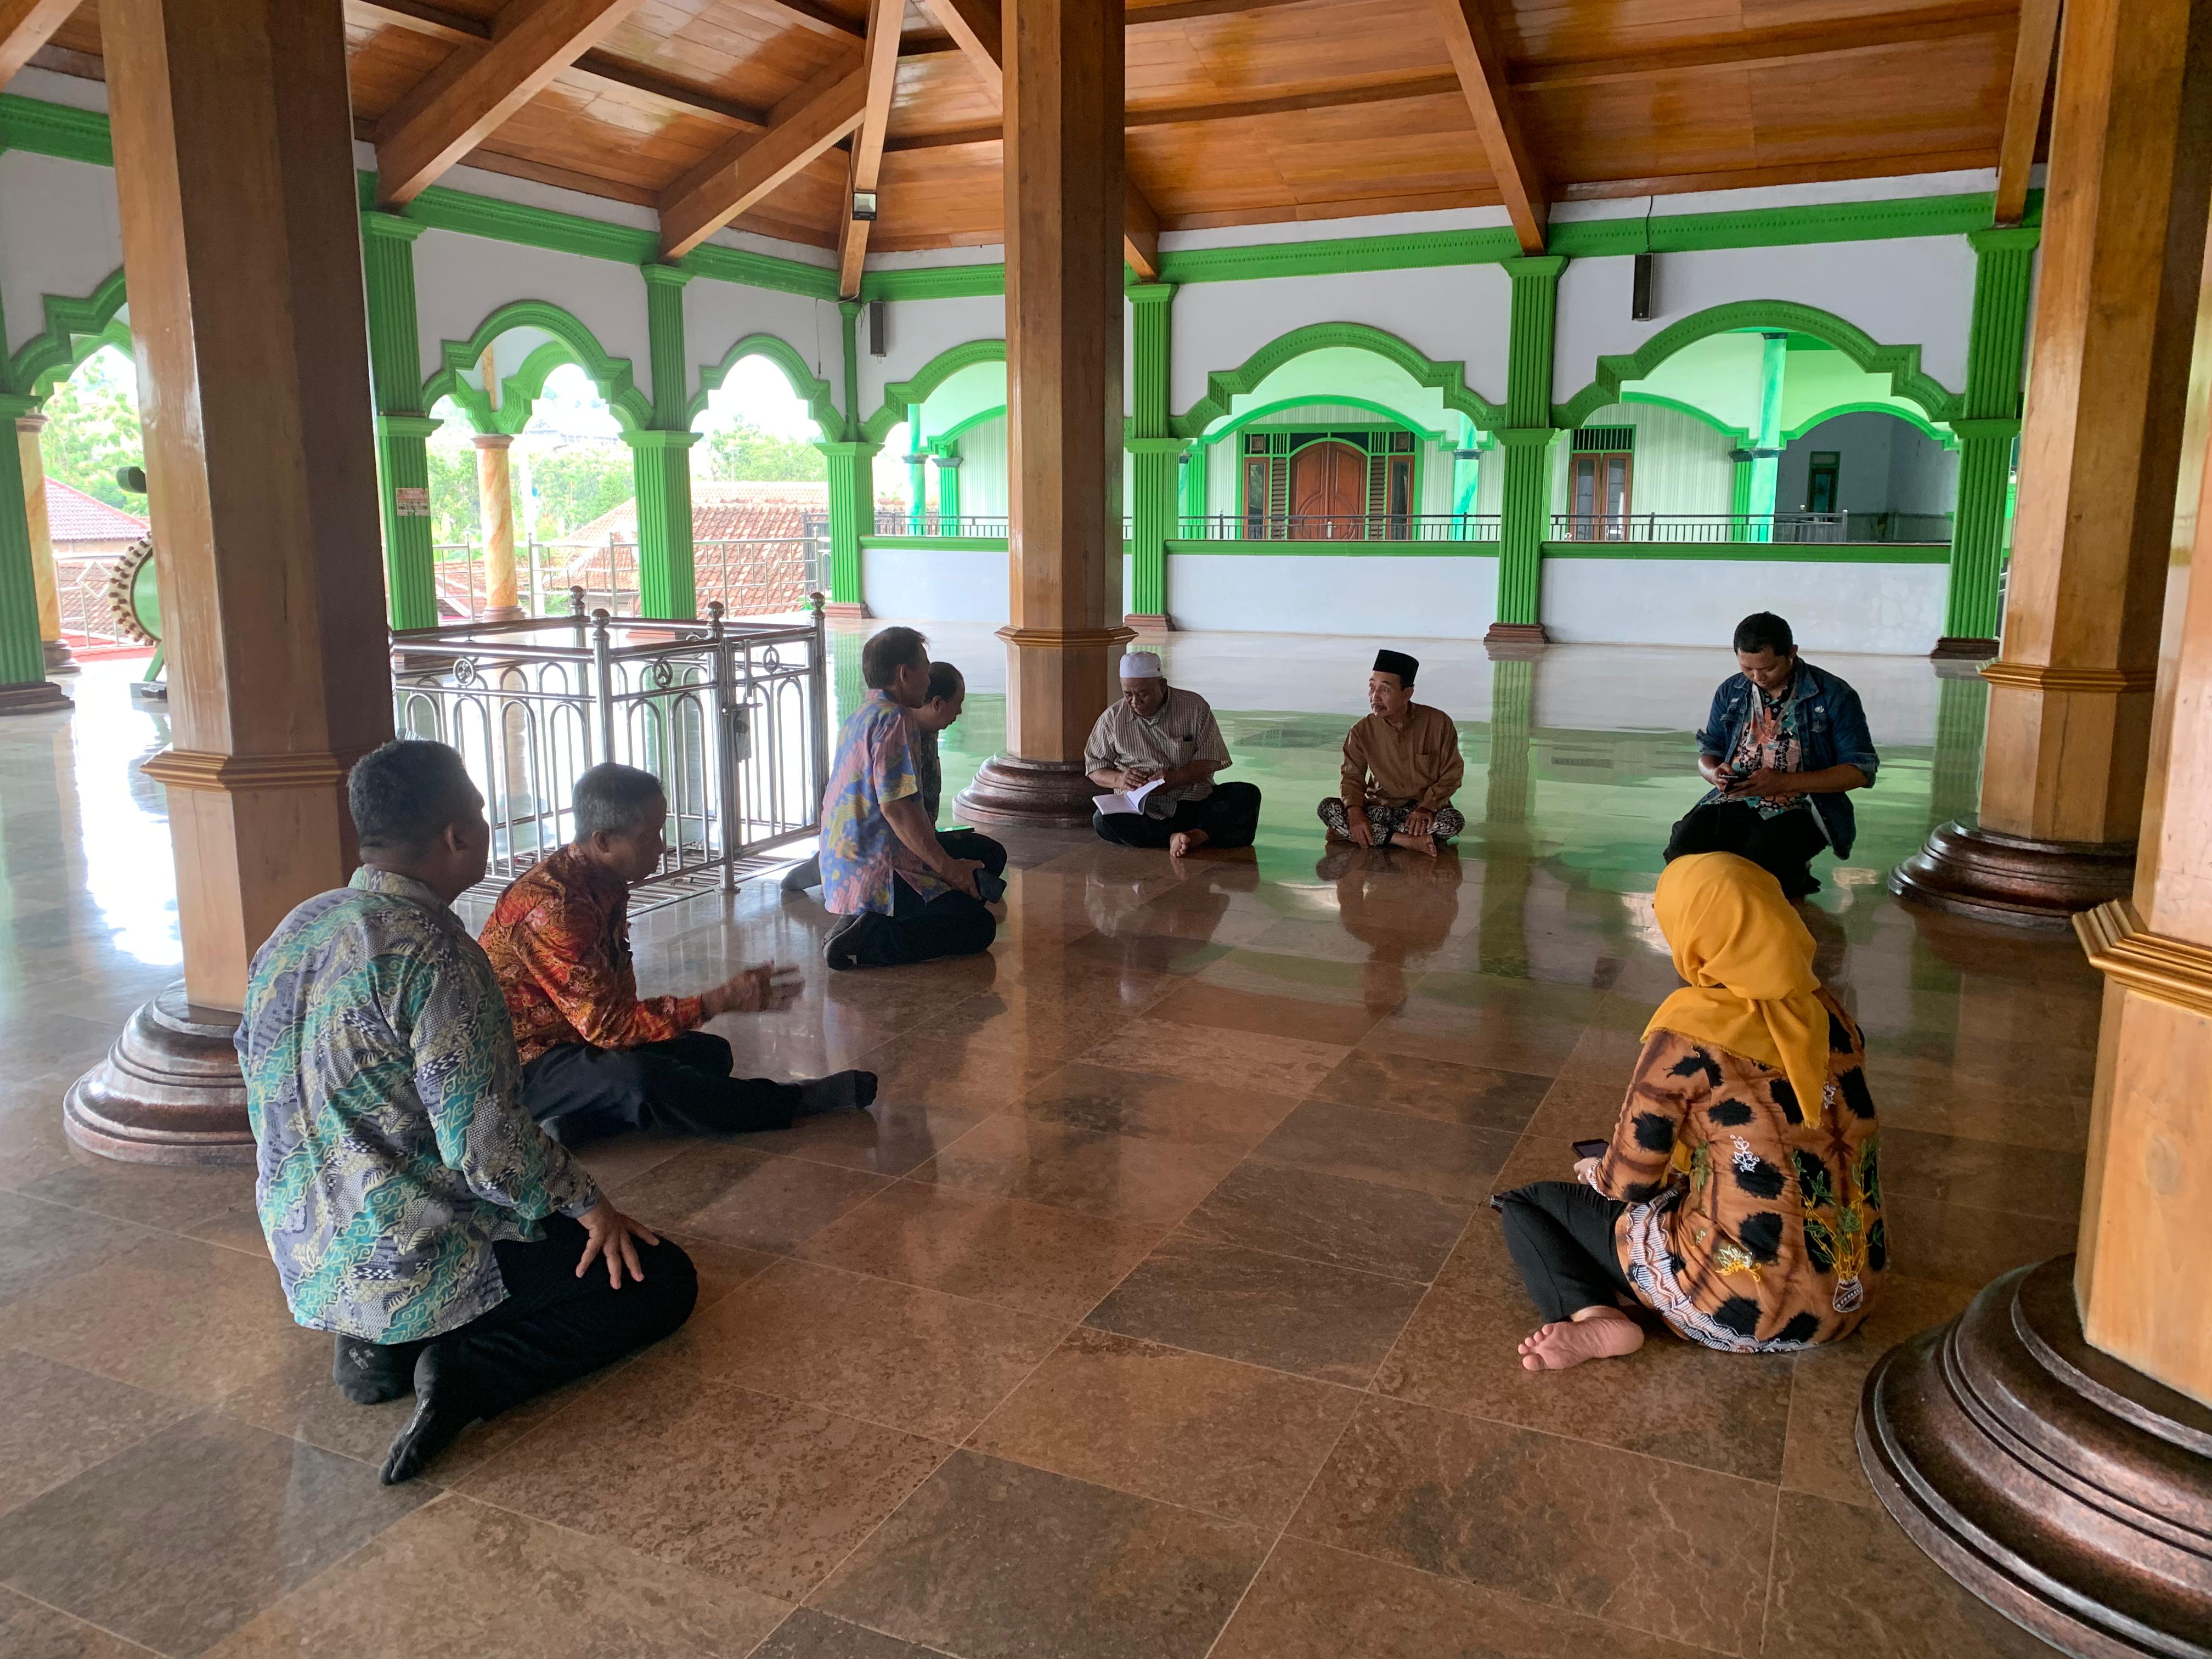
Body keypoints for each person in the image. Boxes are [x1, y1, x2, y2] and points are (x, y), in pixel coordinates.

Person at [236, 740, 694, 1485]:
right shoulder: (436, 954)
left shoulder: (298, 928)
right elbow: (487, 1148)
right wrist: (592, 1206)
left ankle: (372, 1349)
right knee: (658, 1279)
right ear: (459, 836)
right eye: (479, 810)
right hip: (418, 1257)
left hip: (309, 1256)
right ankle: (467, 1367)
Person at [1496, 851, 1884, 1372]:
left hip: (1737, 1306)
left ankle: (1594, 1316)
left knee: (1529, 1205)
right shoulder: (1831, 1015)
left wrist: (1599, 1173)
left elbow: (1633, 1184)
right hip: (1849, 1295)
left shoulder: (1690, 1033)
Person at [481, 763, 878, 1144]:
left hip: (574, 1042)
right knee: (641, 1079)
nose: (662, 846)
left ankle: (576, 1123)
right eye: (649, 836)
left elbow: (608, 1012)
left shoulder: (598, 880)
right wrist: (717, 1000)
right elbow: (608, 1029)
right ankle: (793, 1101)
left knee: (709, 1055)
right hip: (522, 1067)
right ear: (603, 841)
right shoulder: (555, 908)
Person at [820, 627, 999, 970]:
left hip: (844, 871)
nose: (929, 680)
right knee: (977, 926)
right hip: (880, 871)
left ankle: (863, 921)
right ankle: (870, 940)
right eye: (926, 669)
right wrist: (949, 869)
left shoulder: (859, 717)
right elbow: (896, 808)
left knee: (975, 872)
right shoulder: (897, 719)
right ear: (905, 674)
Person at [1667, 611, 1877, 899]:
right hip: (1736, 797)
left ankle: (1791, 877)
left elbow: (1860, 771)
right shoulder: (1732, 690)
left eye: (1768, 669)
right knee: (1683, 850)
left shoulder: (1834, 695)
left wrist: (1784, 783)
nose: (1757, 677)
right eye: (1747, 669)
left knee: (1759, 861)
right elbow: (1709, 752)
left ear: (1791, 653)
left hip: (1801, 805)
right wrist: (1714, 773)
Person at [782, 660, 1005, 891]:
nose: (959, 712)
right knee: (974, 916)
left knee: (992, 856)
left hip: (914, 839)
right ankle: (826, 869)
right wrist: (945, 867)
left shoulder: (924, 730)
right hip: (880, 849)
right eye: (958, 704)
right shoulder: (894, 729)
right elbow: (895, 810)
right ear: (937, 703)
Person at [1084, 650, 1261, 856]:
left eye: (1143, 694)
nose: (1135, 702)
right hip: (1145, 810)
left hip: (1193, 801)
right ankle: (1181, 837)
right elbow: (1094, 767)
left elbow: (1211, 760)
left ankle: (1194, 834)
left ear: (1162, 685)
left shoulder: (1194, 707)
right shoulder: (1112, 718)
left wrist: (1177, 778)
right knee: (1103, 820)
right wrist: (1120, 779)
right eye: (1128, 695)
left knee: (1246, 794)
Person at [1318, 648, 1466, 856]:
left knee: (1452, 822)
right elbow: (1351, 778)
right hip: (1380, 809)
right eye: (1372, 688)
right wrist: (1355, 812)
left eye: (1385, 690)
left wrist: (1427, 807)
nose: (1375, 697)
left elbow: (1453, 774)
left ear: (1407, 694)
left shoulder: (1438, 723)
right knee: (1328, 807)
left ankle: (1358, 835)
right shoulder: (1361, 731)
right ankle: (1402, 840)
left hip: (1421, 812)